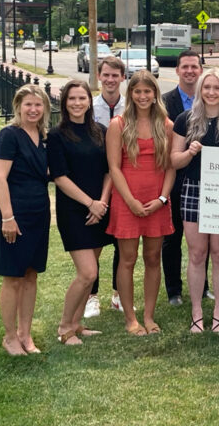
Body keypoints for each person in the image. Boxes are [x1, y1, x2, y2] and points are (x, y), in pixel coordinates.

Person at [171, 68, 219, 333]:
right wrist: (190, 153)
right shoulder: (185, 120)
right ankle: (196, 313)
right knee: (196, 254)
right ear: (200, 90)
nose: (212, 92)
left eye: (217, 88)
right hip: (193, 188)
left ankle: (218, 314)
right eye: (207, 87)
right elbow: (174, 160)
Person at [106, 70, 175, 336]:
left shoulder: (166, 125)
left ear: (155, 93)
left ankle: (148, 316)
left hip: (157, 200)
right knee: (127, 258)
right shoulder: (118, 124)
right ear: (130, 94)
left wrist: (162, 198)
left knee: (152, 258)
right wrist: (131, 201)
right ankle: (130, 319)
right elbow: (114, 167)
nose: (143, 96)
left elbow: (170, 167)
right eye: (138, 91)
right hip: (127, 200)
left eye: (148, 91)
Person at [48, 80, 113, 345]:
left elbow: (110, 170)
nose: (77, 103)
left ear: (89, 100)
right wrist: (90, 204)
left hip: (100, 209)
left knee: (92, 271)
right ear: (64, 103)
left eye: (82, 98)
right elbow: (60, 178)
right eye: (71, 99)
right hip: (75, 211)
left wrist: (102, 203)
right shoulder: (56, 135)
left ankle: (77, 324)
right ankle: (64, 327)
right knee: (87, 273)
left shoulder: (101, 131)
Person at [0, 84, 52, 356]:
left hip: (39, 212)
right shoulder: (9, 135)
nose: (33, 109)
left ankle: (25, 334)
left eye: (38, 105)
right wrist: (8, 217)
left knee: (30, 274)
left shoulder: (42, 135)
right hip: (14, 214)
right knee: (13, 276)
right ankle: (9, 337)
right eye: (28, 104)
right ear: (18, 106)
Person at [161, 49, 210, 306]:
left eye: (194, 66)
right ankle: (173, 290)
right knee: (172, 237)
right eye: (185, 67)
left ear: (200, 70)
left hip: (204, 181)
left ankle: (203, 288)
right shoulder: (164, 102)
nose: (190, 71)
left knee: (203, 235)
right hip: (172, 177)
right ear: (177, 70)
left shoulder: (210, 100)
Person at [90, 55, 126, 317]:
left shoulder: (133, 106)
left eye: (116, 75)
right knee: (94, 242)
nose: (111, 80)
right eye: (106, 75)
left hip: (126, 181)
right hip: (95, 180)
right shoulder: (89, 107)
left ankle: (118, 294)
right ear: (99, 76)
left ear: (123, 78)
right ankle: (92, 296)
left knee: (122, 243)